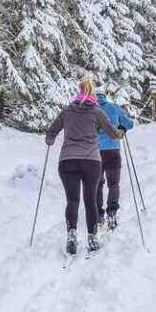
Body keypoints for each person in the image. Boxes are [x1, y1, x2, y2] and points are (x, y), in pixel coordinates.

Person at [46, 77, 122, 256]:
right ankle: (92, 237)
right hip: (91, 161)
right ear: (92, 92)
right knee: (90, 200)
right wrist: (121, 132)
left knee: (72, 201)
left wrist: (50, 139)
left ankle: (71, 233)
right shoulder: (96, 111)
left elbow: (51, 132)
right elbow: (112, 134)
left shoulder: (67, 111)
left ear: (79, 91)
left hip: (67, 160)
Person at [96, 83, 134, 230]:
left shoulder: (90, 110)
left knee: (97, 184)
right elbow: (129, 124)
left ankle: (99, 214)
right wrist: (122, 127)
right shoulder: (113, 108)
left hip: (95, 152)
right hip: (112, 150)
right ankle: (112, 212)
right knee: (113, 183)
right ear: (105, 96)